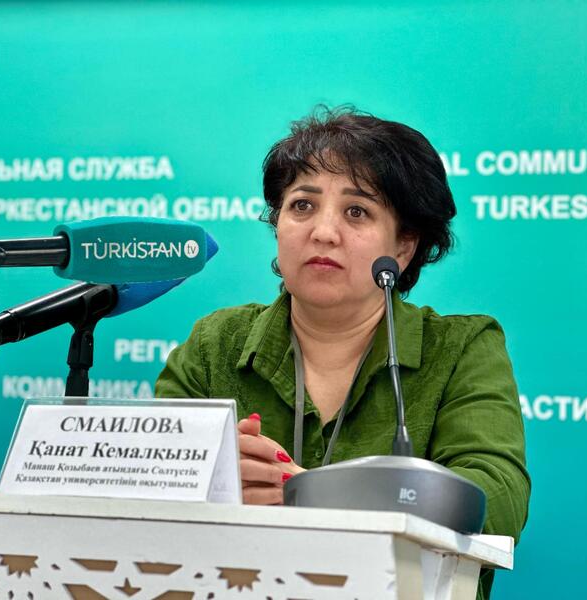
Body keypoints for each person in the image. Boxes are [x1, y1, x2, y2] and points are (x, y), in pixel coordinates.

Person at [155, 107, 529, 599]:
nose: (324, 231)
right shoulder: (215, 344)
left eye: (357, 212)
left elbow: (496, 499)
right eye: (302, 205)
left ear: (404, 246)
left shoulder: (461, 348)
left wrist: (318, 495)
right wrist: (211, 479)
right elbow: (148, 481)